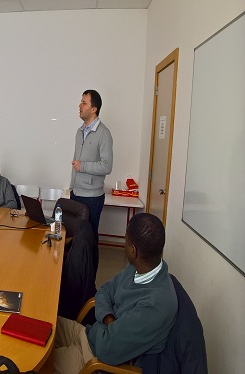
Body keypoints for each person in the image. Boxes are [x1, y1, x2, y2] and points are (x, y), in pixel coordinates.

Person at [54, 213, 178, 373]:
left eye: (125, 241)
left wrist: (106, 325)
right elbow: (104, 291)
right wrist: (109, 319)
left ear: (133, 250)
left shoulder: (155, 305)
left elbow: (107, 350)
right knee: (38, 325)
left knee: (34, 363)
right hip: (88, 333)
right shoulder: (138, 268)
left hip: (92, 358)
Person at [70, 89, 113, 244]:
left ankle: (90, 268)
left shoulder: (104, 133)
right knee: (76, 238)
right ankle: (78, 268)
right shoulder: (79, 131)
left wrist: (83, 166)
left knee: (89, 240)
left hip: (92, 198)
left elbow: (107, 166)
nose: (79, 105)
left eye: (84, 102)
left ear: (94, 109)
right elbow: (76, 161)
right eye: (80, 101)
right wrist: (71, 187)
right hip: (76, 193)